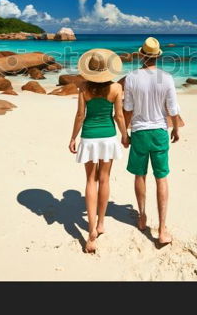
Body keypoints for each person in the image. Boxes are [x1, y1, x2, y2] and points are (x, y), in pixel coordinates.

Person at [69, 49, 129, 253]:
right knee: (104, 179)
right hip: (108, 137)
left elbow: (79, 115)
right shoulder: (116, 88)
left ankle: (91, 229)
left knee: (89, 181)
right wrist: (124, 135)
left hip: (89, 136)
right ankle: (101, 223)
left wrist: (72, 138)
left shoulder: (84, 88)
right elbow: (119, 116)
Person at [123, 37, 180, 246]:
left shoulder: (131, 77)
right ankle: (162, 230)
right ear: (158, 56)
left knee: (140, 175)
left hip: (139, 132)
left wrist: (124, 133)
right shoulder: (166, 78)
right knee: (161, 178)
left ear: (141, 55)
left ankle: (142, 216)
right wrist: (175, 129)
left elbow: (127, 109)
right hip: (159, 132)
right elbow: (173, 109)